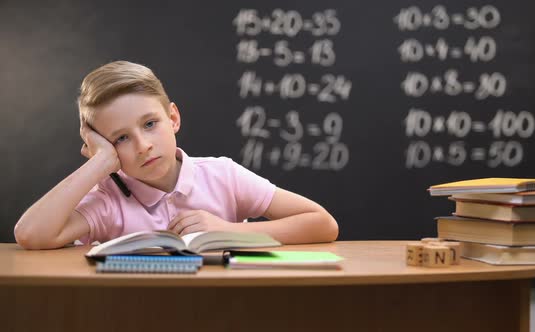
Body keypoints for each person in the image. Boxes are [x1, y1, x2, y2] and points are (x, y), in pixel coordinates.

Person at [14, 61, 338, 249]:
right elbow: (30, 235)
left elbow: (322, 224)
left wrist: (228, 232)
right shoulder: (109, 200)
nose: (142, 146)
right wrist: (100, 163)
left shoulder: (222, 176)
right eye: (121, 138)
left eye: (150, 124)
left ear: (173, 118)